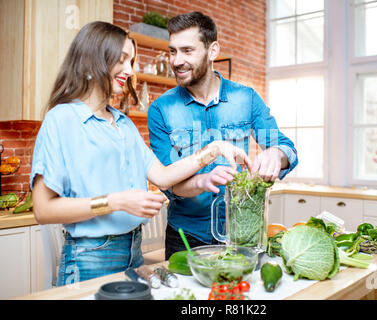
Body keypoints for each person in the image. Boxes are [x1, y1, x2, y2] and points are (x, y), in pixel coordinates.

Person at [31, 21, 250, 286]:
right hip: (89, 257)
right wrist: (116, 202)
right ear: (92, 60)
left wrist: (212, 151)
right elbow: (43, 209)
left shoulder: (123, 124)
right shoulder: (62, 119)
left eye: (131, 61)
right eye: (121, 60)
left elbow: (164, 176)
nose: (129, 69)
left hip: (133, 251)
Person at [147, 12, 298, 260]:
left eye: (187, 50)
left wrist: (276, 153)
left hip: (242, 233)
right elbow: (168, 183)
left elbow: (285, 147)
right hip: (185, 237)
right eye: (172, 51)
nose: (176, 61)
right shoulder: (160, 110)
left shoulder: (246, 98)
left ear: (213, 50)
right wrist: (201, 181)